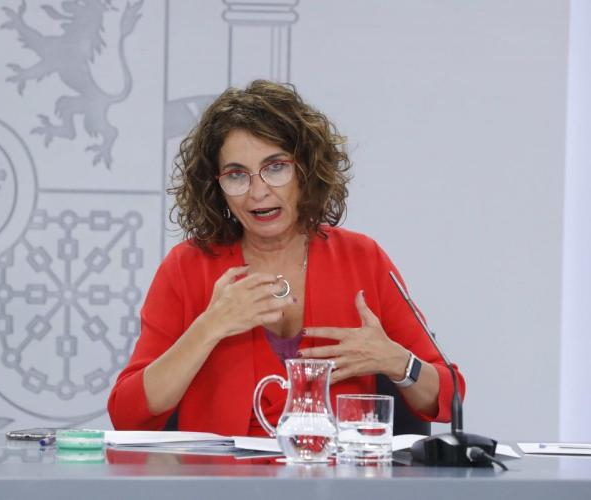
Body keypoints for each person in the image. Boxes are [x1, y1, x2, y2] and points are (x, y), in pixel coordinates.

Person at [107, 80, 464, 436]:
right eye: (236, 175)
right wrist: (210, 326)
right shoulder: (187, 267)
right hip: (220, 472)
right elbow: (126, 414)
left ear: (306, 170)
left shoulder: (362, 259)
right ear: (216, 187)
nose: (258, 191)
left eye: (276, 167)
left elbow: (449, 398)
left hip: (334, 471)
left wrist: (397, 362)